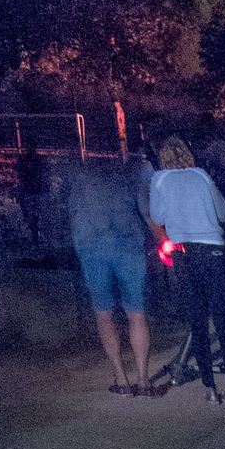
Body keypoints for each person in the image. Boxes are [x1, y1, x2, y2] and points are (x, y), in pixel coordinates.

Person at [148, 137, 225, 404]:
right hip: (213, 249)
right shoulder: (202, 176)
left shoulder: (160, 179)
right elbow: (222, 213)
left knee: (198, 321)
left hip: (185, 252)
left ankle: (209, 386)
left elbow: (159, 216)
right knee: (222, 318)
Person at [67, 157, 154, 396]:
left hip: (92, 246)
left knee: (103, 313)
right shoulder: (128, 175)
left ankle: (121, 378)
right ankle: (144, 379)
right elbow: (144, 210)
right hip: (128, 244)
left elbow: (71, 210)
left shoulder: (81, 177)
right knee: (136, 313)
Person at [16, 141, 45, 249]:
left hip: (35, 191)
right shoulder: (24, 160)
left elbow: (43, 174)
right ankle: (34, 238)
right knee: (31, 215)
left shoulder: (38, 160)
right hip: (29, 191)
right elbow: (20, 175)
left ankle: (36, 239)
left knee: (35, 215)